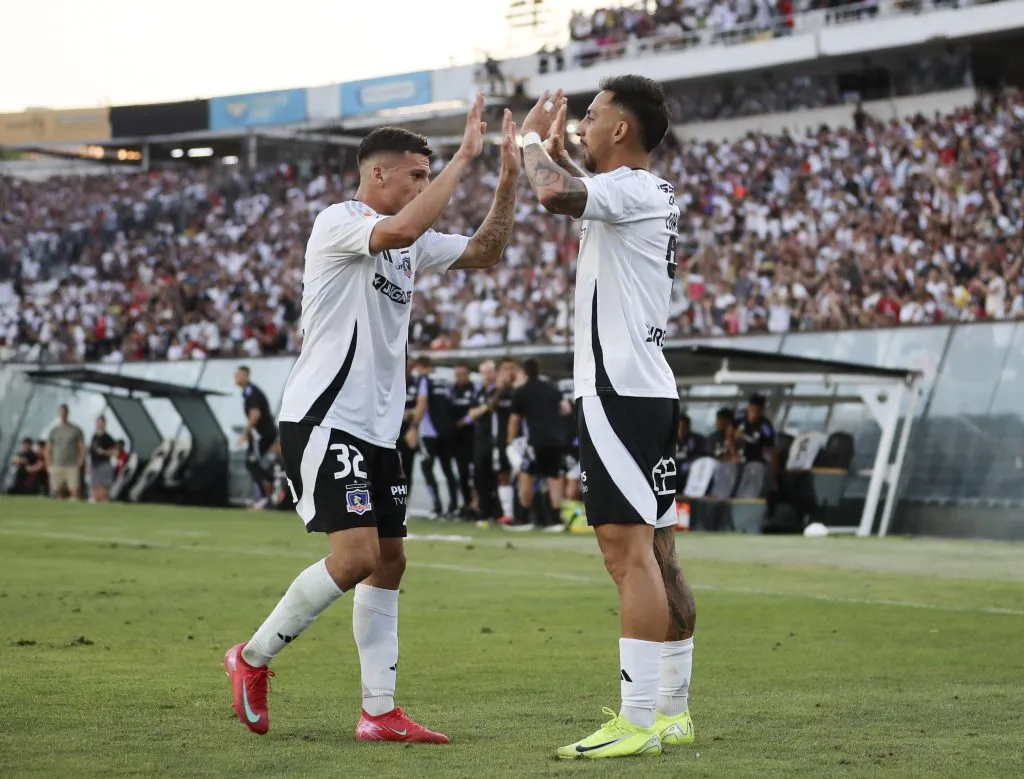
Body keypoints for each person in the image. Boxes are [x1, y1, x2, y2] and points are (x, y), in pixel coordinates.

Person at [223, 96, 520, 742]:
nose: (424, 183)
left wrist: (507, 178)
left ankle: (378, 711)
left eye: (428, 174)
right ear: (379, 174)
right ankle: (250, 658)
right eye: (417, 174)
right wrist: (466, 157)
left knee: (389, 561)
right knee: (356, 555)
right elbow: (405, 230)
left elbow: (486, 251)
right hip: (326, 417)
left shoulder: (408, 242)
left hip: (376, 428)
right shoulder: (340, 221)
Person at [521, 79, 696, 759]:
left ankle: (637, 717)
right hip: (643, 390)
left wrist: (534, 139)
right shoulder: (642, 193)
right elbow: (572, 183)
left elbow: (555, 192)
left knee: (627, 555)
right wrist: (547, 145)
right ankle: (672, 711)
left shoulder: (632, 187)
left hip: (621, 392)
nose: (581, 128)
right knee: (657, 552)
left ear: (622, 130)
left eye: (590, 118)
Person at [507, 358, 568, 530]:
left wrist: (510, 441)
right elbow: (566, 409)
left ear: (524, 372)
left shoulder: (521, 392)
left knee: (526, 474)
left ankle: (524, 518)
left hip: (535, 440)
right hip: (556, 439)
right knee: (554, 476)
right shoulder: (551, 389)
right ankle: (556, 520)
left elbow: (514, 419)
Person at [411, 355, 459, 518]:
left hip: (429, 432)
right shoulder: (445, 380)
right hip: (447, 431)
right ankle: (453, 506)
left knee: (427, 467)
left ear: (422, 366)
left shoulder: (424, 380)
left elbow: (422, 404)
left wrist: (413, 427)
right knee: (448, 469)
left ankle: (437, 506)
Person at [235, 366, 278, 510]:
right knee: (252, 463)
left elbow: (255, 415)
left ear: (246, 375)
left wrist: (244, 433)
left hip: (262, 434)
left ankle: (266, 493)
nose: (236, 377)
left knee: (252, 463)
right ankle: (268, 491)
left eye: (239, 375)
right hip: (261, 434)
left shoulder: (251, 392)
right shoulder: (248, 392)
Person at [449, 362, 477, 518]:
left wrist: (464, 421)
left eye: (463, 374)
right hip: (457, 439)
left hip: (473, 436)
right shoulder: (452, 391)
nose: (460, 377)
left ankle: (477, 504)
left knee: (476, 473)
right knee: (462, 473)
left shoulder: (474, 389)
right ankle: (466, 503)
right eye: (457, 374)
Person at [45, 404, 86, 500]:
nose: (63, 415)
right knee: (56, 491)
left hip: (71, 464)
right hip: (57, 464)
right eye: (61, 412)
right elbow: (48, 448)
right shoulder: (54, 431)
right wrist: (48, 463)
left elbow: (81, 446)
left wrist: (81, 460)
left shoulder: (75, 430)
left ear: (68, 413)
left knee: (74, 490)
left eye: (64, 413)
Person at [88, 415, 117, 502]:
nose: (99, 424)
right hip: (95, 465)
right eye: (98, 423)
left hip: (104, 465)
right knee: (95, 486)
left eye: (101, 422)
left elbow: (114, 452)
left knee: (103, 488)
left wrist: (104, 452)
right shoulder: (94, 436)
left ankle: (104, 501)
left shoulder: (108, 438)